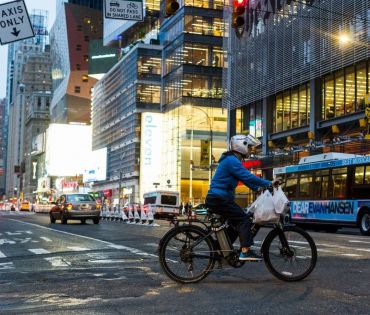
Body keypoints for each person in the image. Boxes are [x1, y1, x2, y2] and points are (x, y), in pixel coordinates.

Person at [205, 134, 279, 261]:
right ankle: (245, 251)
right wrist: (268, 183)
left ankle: (221, 250)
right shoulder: (232, 161)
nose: (250, 150)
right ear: (241, 146)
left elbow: (245, 179)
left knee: (235, 223)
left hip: (218, 198)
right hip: (219, 199)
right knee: (244, 220)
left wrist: (258, 189)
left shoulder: (231, 159)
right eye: (249, 147)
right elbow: (247, 176)